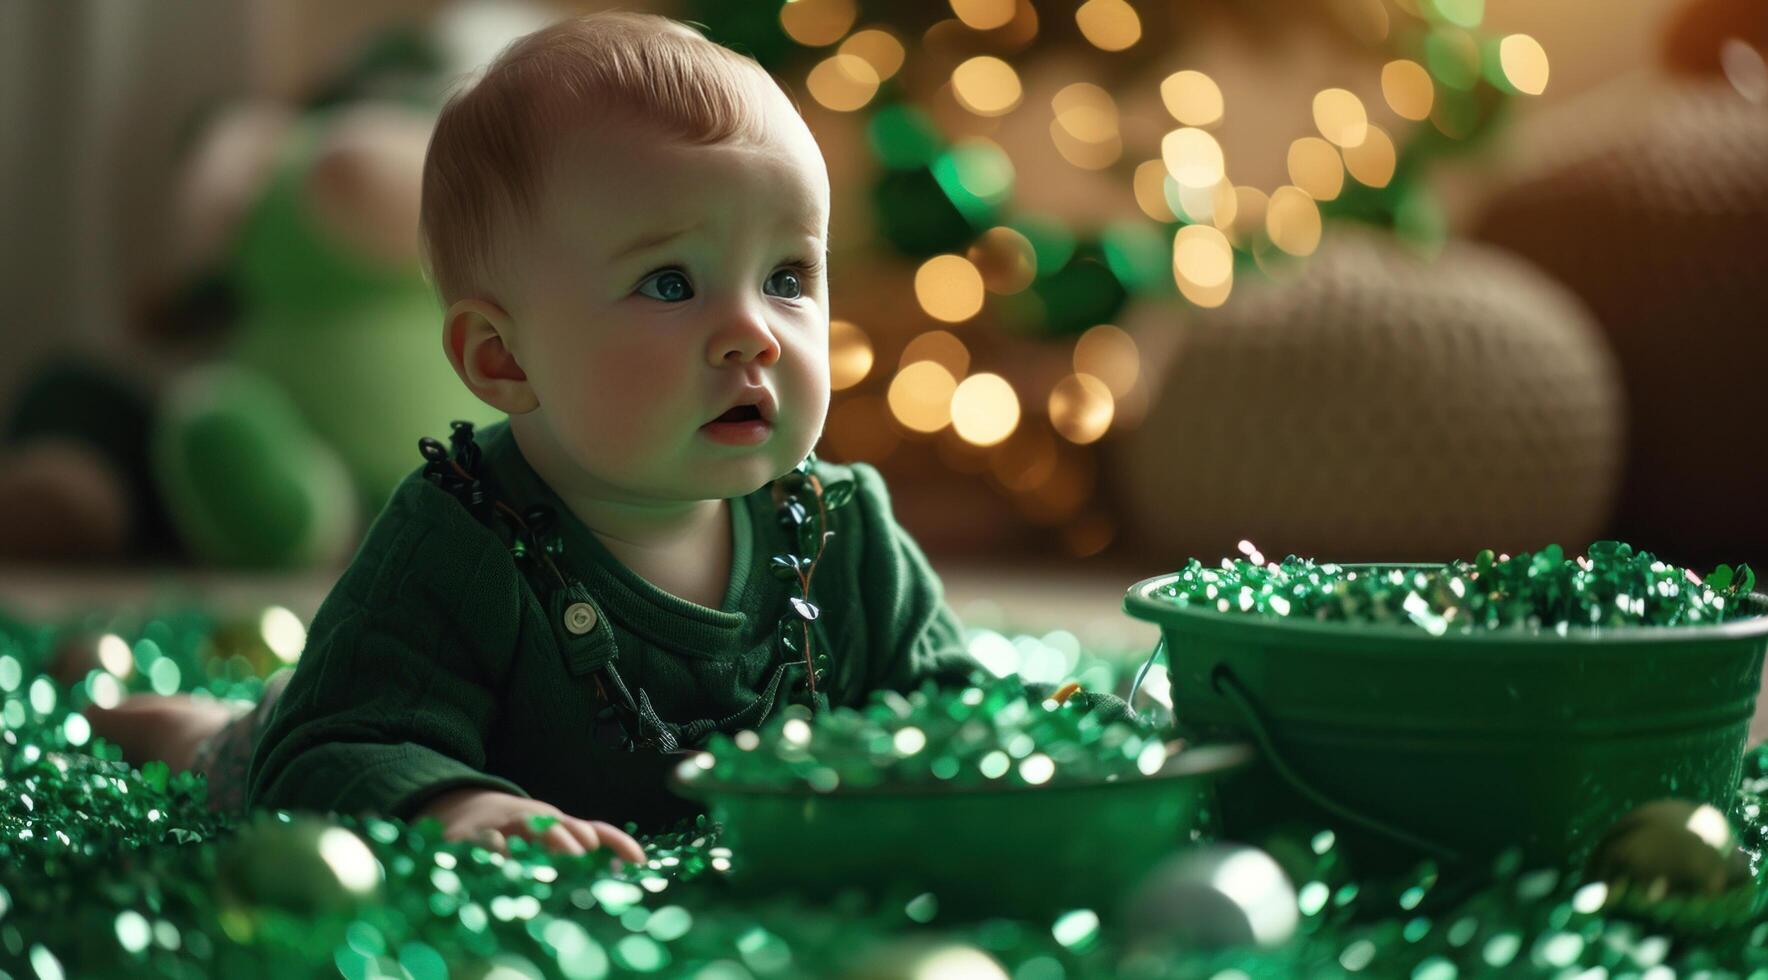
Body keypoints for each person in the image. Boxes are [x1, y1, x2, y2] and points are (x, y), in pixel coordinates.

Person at [81, 10, 1121, 865]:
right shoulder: (457, 537)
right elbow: (336, 746)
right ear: (503, 359)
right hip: (341, 720)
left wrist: (1060, 745)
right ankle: (196, 725)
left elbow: (948, 702)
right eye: (670, 282)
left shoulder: (841, 529)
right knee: (257, 739)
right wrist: (455, 810)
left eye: (787, 277)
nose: (751, 331)